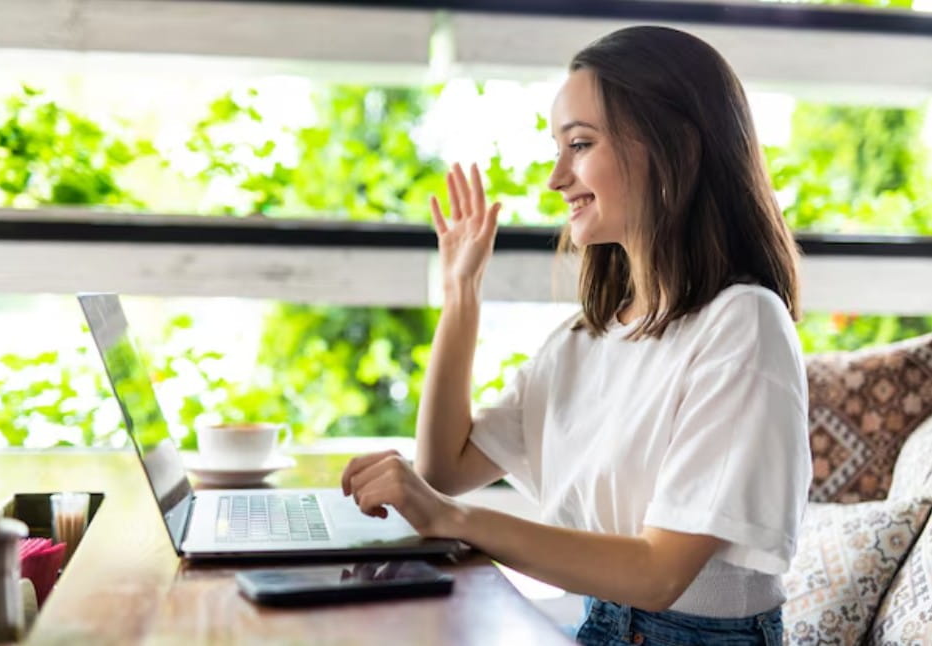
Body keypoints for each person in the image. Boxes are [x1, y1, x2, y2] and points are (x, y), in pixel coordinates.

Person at [341, 25, 811, 646]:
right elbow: (444, 468)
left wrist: (453, 519)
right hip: (600, 623)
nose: (556, 177)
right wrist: (461, 294)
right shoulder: (584, 339)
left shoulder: (742, 324)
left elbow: (660, 573)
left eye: (581, 144)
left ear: (676, 147)